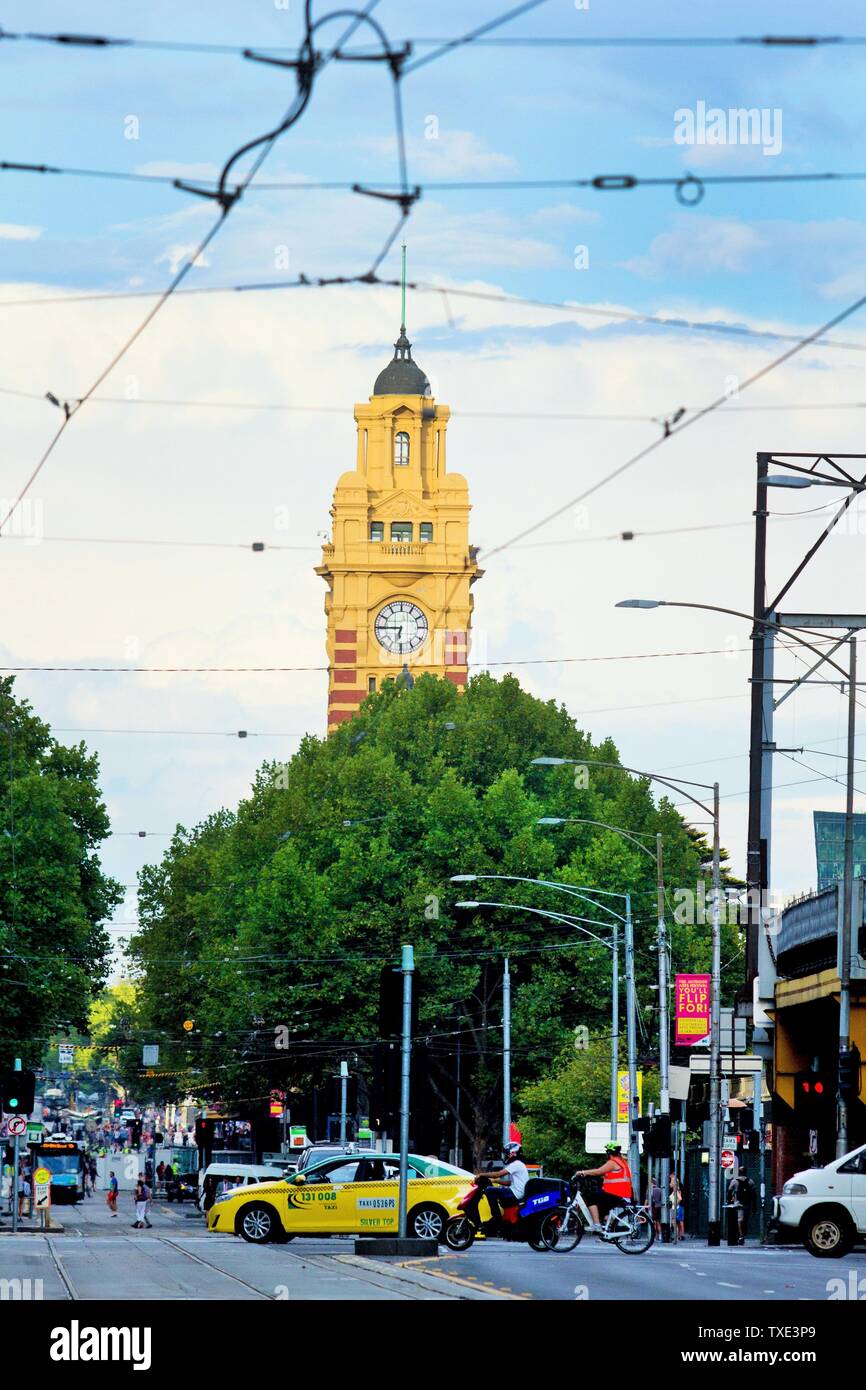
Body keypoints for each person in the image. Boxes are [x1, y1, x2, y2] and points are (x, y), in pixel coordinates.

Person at [464, 1141, 529, 1232]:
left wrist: (481, 1175)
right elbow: (510, 1183)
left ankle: (496, 1218)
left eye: (507, 1154)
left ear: (513, 1153)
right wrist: (495, 1181)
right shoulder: (519, 1164)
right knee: (493, 1190)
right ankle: (497, 1218)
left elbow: (498, 1174)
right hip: (516, 1192)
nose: (506, 1156)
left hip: (515, 1194)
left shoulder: (516, 1164)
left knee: (490, 1190)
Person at [574, 1141, 634, 1232]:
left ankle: (597, 1225)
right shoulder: (621, 1161)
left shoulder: (613, 1162)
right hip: (622, 1194)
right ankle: (613, 1227)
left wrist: (583, 1172)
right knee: (601, 1209)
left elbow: (598, 1171)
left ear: (609, 1152)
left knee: (591, 1197)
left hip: (617, 1194)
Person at [727, 1172, 756, 1244]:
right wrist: (754, 1206)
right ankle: (743, 1234)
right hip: (747, 1203)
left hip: (738, 1203)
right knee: (745, 1220)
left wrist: (729, 1200)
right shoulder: (750, 1181)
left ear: (739, 1173)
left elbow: (729, 1190)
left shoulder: (735, 1181)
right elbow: (754, 1194)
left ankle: (741, 1236)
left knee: (739, 1220)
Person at [670, 1173, 685, 1240]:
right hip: (677, 1207)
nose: (670, 1183)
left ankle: (679, 1235)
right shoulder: (676, 1189)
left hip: (678, 1207)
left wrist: (675, 1204)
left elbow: (680, 1198)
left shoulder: (677, 1190)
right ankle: (679, 1235)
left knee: (678, 1221)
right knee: (677, 1222)